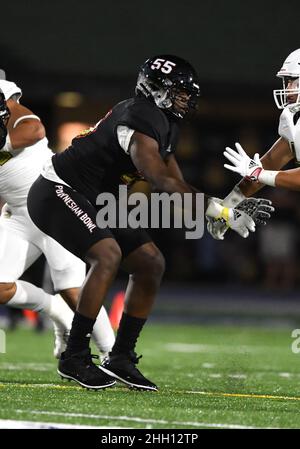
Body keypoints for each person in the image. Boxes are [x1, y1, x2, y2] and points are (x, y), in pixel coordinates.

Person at [27, 54, 272, 391]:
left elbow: (178, 185)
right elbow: (159, 181)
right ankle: (74, 356)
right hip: (58, 191)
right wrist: (220, 210)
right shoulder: (140, 115)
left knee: (150, 262)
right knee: (108, 254)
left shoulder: (164, 122)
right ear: (156, 90)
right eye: (180, 92)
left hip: (98, 198)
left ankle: (121, 357)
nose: (186, 100)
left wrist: (216, 213)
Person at [0, 75, 115, 359]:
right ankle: (54, 309)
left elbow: (35, 129)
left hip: (52, 207)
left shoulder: (18, 115)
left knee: (74, 290)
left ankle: (113, 355)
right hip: (17, 214)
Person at [209, 49, 300, 241]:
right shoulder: (295, 121)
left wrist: (259, 174)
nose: (288, 88)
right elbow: (269, 163)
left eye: (294, 81)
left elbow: (261, 172)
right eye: (287, 81)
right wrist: (226, 208)